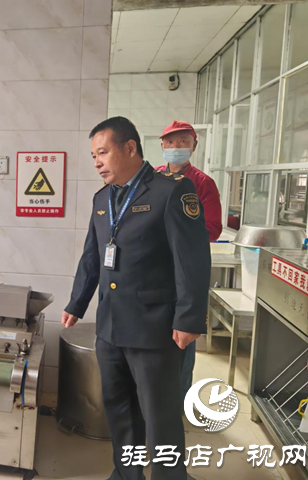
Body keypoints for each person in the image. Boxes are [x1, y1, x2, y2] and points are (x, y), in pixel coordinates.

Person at [62, 117, 211, 479]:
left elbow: (191, 260)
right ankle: (127, 474)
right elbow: (92, 256)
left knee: (160, 415)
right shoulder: (102, 199)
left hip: (154, 329)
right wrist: (77, 303)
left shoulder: (171, 192)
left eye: (103, 152)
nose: (97, 162)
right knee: (120, 410)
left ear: (130, 148)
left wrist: (189, 318)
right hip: (111, 327)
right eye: (93, 156)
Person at [155, 120, 222, 404]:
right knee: (155, 338)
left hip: (184, 270)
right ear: (162, 145)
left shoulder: (202, 183)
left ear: (194, 145)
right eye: (171, 142)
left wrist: (177, 235)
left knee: (183, 334)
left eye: (183, 141)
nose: (176, 147)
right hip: (155, 269)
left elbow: (213, 228)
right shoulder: (152, 177)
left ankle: (179, 403)